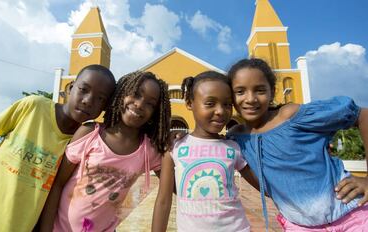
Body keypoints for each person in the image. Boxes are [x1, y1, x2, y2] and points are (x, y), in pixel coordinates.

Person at [0, 64, 116, 232]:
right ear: (70, 87)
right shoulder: (34, 106)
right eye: (84, 89)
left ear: (104, 107)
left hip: (21, 225)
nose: (88, 100)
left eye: (100, 99)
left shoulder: (84, 142)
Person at [227, 58, 368, 231]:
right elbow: (266, 187)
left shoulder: (291, 116)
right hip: (300, 226)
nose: (250, 99)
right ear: (231, 97)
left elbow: (363, 115)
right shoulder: (237, 139)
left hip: (351, 214)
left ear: (272, 91)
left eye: (260, 90)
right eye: (240, 92)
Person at [39, 71, 171, 232]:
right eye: (136, 94)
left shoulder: (148, 150)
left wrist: (181, 141)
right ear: (120, 94)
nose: (140, 104)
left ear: (155, 113)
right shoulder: (90, 133)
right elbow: (57, 183)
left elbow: (177, 186)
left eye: (150, 103)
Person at [152, 71, 259, 232]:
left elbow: (263, 185)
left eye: (227, 104)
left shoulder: (233, 147)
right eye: (210, 103)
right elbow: (163, 201)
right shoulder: (175, 147)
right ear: (189, 103)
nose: (220, 111)